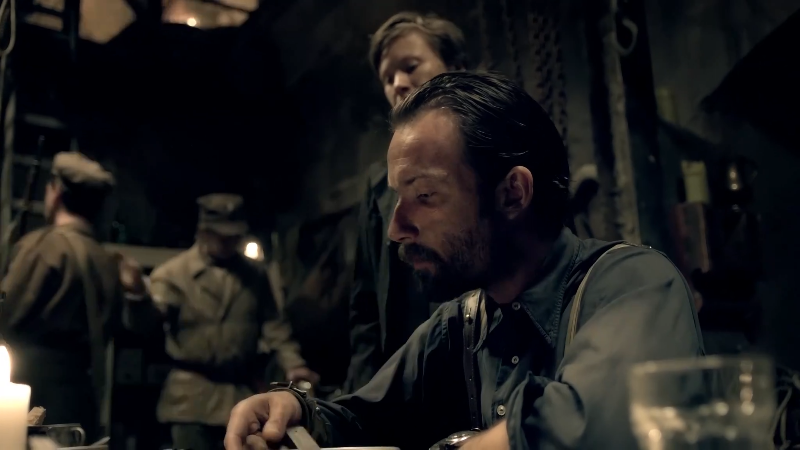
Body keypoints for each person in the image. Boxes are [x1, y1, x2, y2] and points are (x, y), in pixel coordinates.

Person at [224, 73, 704, 450]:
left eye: (425, 196)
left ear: (512, 193)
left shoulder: (632, 284)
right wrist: (297, 412)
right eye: (397, 199)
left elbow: (592, 427)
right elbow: (363, 418)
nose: (396, 229)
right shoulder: (461, 324)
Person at [123, 194, 319, 450]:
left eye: (234, 236)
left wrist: (294, 364)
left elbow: (275, 327)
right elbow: (147, 325)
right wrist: (138, 297)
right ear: (203, 232)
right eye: (221, 236)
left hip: (241, 395)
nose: (229, 242)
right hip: (190, 400)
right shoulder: (173, 274)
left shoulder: (254, 276)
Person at [345, 11, 470, 393]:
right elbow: (367, 307)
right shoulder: (380, 185)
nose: (398, 83)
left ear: (453, 66)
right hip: (407, 386)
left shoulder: (492, 150)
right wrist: (361, 402)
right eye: (387, 78)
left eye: (410, 66)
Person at [0, 151, 118, 442]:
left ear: (56, 193)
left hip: (32, 391)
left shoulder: (44, 246)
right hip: (80, 390)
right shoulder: (104, 257)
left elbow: (7, 313)